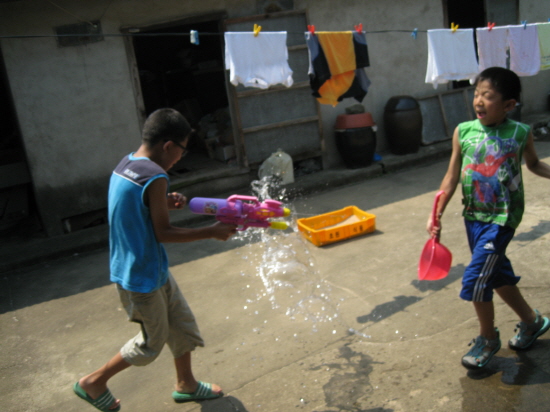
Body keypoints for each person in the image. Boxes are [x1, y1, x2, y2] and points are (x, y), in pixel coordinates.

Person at [73, 108, 237, 411]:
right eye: (182, 152)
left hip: (148, 266)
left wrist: (162, 203)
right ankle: (94, 381)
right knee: (151, 343)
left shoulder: (127, 164)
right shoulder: (157, 175)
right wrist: (211, 231)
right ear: (168, 146)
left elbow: (134, 210)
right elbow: (163, 232)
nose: (179, 159)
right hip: (140, 276)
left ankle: (186, 384)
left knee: (182, 324)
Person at [427, 67, 550, 370]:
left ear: (509, 105)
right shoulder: (463, 131)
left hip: (502, 219)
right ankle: (532, 322)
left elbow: (533, 164)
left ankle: (488, 338)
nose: (479, 101)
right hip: (474, 218)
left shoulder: (520, 132)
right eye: (477, 94)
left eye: (489, 96)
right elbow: (451, 176)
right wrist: (436, 213)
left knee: (476, 280)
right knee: (497, 277)